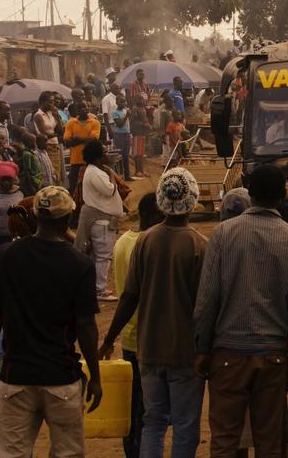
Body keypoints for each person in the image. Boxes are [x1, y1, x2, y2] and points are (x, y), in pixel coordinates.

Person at [194, 164, 288, 457]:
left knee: (224, 439)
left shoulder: (223, 234)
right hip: (272, 356)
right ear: (283, 196)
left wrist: (202, 348)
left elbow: (207, 299)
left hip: (227, 356)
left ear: (251, 193)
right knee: (270, 441)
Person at [0, 185, 102, 458]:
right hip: (61, 377)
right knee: (68, 453)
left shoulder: (5, 256)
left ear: (35, 214)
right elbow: (85, 326)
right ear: (68, 218)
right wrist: (95, 375)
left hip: (15, 377)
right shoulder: (80, 264)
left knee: (12, 454)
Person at [100, 168, 207, 458]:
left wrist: (110, 337)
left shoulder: (144, 241)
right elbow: (204, 305)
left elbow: (129, 297)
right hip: (184, 351)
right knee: (185, 424)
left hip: (148, 348)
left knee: (153, 421)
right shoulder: (199, 245)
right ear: (192, 199)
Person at [108, 193, 165, 458]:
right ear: (155, 216)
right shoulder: (149, 244)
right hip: (152, 339)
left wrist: (110, 338)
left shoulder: (122, 242)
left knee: (133, 412)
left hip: (130, 338)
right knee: (151, 413)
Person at [75, 140, 124, 302]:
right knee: (103, 256)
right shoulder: (96, 173)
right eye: (103, 152)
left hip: (100, 220)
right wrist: (111, 175)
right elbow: (109, 190)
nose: (106, 155)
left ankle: (96, 287)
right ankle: (100, 290)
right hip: (101, 221)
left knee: (97, 256)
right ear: (97, 156)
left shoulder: (94, 170)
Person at [63, 99, 101, 196]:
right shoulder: (71, 123)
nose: (83, 109)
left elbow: (93, 140)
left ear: (88, 108)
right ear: (76, 110)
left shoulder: (95, 122)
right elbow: (67, 142)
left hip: (91, 160)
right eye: (80, 108)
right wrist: (85, 140)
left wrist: (76, 139)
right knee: (74, 187)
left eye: (85, 107)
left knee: (92, 186)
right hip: (76, 160)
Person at [33, 92, 64, 185]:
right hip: (47, 146)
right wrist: (56, 135)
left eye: (53, 102)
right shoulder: (38, 115)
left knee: (57, 173)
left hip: (56, 146)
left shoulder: (51, 114)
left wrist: (56, 114)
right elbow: (44, 134)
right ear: (43, 102)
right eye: (50, 102)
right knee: (51, 173)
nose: (53, 104)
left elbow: (60, 130)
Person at [13, 132, 43, 197]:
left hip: (37, 180)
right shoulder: (27, 154)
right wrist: (31, 186)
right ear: (29, 143)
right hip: (33, 182)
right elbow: (27, 172)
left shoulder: (31, 153)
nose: (35, 144)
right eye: (34, 142)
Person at [112, 94, 134, 181]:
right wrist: (127, 116)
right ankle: (120, 176)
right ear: (117, 102)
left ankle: (127, 175)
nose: (124, 103)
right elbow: (120, 125)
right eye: (121, 101)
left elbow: (129, 122)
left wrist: (130, 115)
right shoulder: (115, 113)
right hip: (119, 135)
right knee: (120, 156)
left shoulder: (125, 110)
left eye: (124, 101)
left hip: (126, 134)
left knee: (126, 155)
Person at [130, 96, 150, 178]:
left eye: (142, 99)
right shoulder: (135, 109)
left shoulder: (143, 108)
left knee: (141, 153)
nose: (141, 100)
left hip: (142, 133)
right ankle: (137, 170)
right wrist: (144, 124)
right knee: (137, 153)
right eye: (139, 98)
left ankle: (141, 170)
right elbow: (132, 121)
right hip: (137, 133)